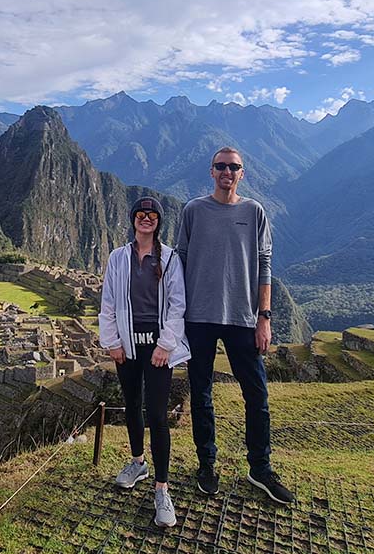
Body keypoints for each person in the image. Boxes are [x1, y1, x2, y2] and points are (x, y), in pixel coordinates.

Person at [175, 146, 295, 505]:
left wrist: (265, 317)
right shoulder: (193, 210)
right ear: (211, 171)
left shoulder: (254, 211)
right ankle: (207, 464)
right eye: (221, 166)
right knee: (201, 394)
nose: (227, 172)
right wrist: (176, 314)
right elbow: (180, 260)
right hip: (198, 317)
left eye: (234, 167)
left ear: (243, 173)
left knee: (257, 396)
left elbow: (265, 264)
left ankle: (260, 467)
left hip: (243, 319)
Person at [98, 196, 190, 528]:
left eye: (152, 215)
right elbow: (108, 302)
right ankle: (138, 462)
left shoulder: (169, 259)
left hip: (158, 344)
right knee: (132, 404)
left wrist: (166, 344)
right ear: (133, 219)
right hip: (127, 341)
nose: (146, 219)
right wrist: (112, 342)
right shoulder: (118, 257)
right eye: (141, 214)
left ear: (158, 222)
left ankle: (162, 490)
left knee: (157, 414)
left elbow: (178, 304)